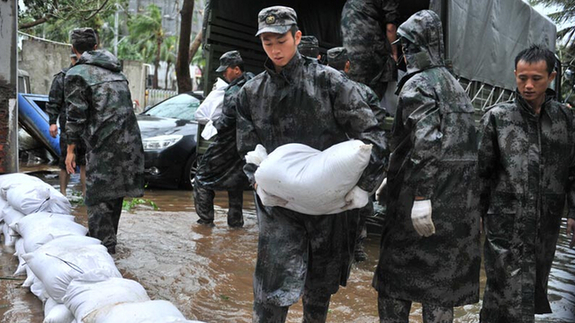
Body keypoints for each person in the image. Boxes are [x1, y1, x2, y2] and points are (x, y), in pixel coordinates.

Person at [235, 6, 387, 322]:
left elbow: (373, 137)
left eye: (281, 41)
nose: (275, 49)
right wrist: (256, 179)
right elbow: (247, 147)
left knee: (318, 297)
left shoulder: (332, 84)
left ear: (297, 36)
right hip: (279, 210)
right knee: (269, 298)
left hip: (327, 212)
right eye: (267, 42)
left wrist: (363, 188)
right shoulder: (252, 92)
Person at [372, 10, 480, 323]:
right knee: (439, 288)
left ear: (408, 46)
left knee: (393, 285)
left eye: (401, 47)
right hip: (452, 207)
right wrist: (393, 171)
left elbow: (427, 142)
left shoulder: (417, 84)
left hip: (417, 205)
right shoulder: (455, 86)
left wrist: (420, 196)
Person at [478, 44, 575, 322]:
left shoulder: (565, 120)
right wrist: (476, 214)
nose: (528, 85)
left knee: (531, 290)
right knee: (501, 293)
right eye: (522, 78)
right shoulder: (499, 118)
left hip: (545, 225)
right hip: (506, 224)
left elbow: (573, 168)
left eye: (536, 78)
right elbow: (481, 171)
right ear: (515, 75)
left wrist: (573, 211)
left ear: (552, 77)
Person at [64, 27, 145, 255]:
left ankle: (103, 252)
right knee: (114, 193)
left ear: (73, 48)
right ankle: (109, 243)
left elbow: (76, 116)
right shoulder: (116, 71)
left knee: (98, 197)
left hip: (103, 144)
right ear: (96, 46)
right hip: (130, 143)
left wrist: (70, 151)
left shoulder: (77, 74)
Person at [327, 46, 387, 262]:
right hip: (357, 158)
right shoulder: (363, 91)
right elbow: (377, 125)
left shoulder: (319, 87)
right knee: (359, 202)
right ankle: (357, 248)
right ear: (347, 65)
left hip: (329, 159)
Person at [194, 50, 254, 228]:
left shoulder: (234, 91)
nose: (223, 74)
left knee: (201, 178)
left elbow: (227, 121)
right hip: (246, 146)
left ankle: (205, 223)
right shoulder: (253, 83)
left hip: (228, 143)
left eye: (225, 70)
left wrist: (215, 124)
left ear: (236, 69)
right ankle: (235, 224)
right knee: (235, 181)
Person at [46, 49, 86, 196]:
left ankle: (85, 196)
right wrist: (52, 122)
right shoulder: (62, 77)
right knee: (65, 161)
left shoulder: (87, 76)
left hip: (86, 128)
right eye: (75, 59)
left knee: (85, 162)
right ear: (72, 59)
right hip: (68, 126)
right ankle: (62, 194)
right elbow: (53, 101)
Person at [341, 0, 399, 99]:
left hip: (348, 51)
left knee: (353, 93)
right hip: (369, 51)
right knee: (372, 95)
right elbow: (390, 28)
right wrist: (394, 53)